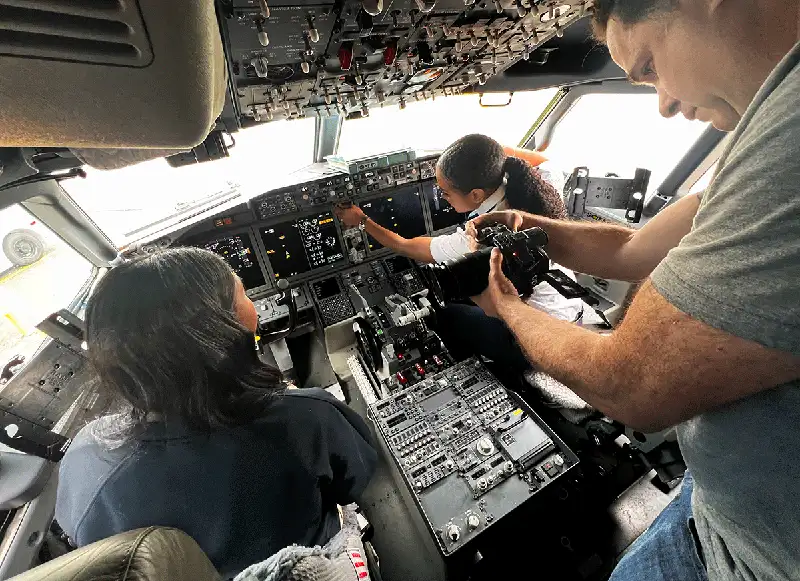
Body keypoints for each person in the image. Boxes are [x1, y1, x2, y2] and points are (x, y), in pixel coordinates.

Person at [469, 2, 800, 580]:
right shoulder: (757, 138)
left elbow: (628, 384)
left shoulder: (791, 137)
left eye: (649, 64)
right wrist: (539, 229)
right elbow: (633, 250)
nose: (666, 103)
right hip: (721, 509)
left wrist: (507, 309)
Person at [55, 248, 377, 577]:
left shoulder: (87, 455)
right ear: (224, 329)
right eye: (243, 293)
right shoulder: (308, 416)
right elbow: (353, 483)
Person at [335, 134, 582, 371]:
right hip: (572, 314)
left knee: (439, 312)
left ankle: (486, 370)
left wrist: (362, 220)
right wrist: (489, 154)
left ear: (476, 195)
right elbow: (547, 161)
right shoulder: (540, 186)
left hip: (539, 345)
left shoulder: (477, 239)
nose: (441, 198)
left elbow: (404, 246)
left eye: (445, 192)